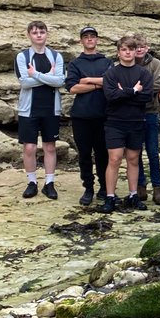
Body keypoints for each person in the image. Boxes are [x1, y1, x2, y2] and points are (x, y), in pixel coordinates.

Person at [101, 34, 154, 213]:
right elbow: (110, 97)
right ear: (118, 53)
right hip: (114, 122)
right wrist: (133, 92)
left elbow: (146, 97)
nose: (128, 52)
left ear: (134, 52)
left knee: (133, 159)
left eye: (130, 49)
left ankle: (133, 195)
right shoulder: (111, 73)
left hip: (136, 121)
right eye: (124, 49)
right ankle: (110, 197)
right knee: (114, 159)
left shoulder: (144, 73)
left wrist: (124, 94)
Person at [15, 20, 66, 200]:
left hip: (51, 108)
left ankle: (49, 183)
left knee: (49, 146)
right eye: (35, 32)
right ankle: (32, 182)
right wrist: (49, 77)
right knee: (29, 147)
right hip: (29, 109)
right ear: (29, 35)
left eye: (42, 32)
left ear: (46, 34)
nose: (38, 35)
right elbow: (24, 83)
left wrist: (35, 74)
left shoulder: (55, 56)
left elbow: (60, 81)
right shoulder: (22, 56)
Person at [64, 25, 111, 207]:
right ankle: (88, 187)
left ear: (97, 39)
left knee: (102, 154)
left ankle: (103, 187)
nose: (90, 39)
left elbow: (111, 82)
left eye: (92, 36)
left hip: (103, 115)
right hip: (81, 116)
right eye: (86, 37)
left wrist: (87, 80)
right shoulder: (76, 63)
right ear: (81, 40)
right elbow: (73, 88)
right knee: (84, 154)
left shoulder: (106, 62)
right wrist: (97, 84)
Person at [133, 35, 160, 204]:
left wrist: (135, 91)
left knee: (153, 152)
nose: (139, 49)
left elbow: (159, 84)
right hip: (132, 113)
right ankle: (141, 185)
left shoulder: (155, 64)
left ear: (147, 48)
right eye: (136, 46)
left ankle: (157, 187)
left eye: (142, 46)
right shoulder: (127, 64)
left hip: (151, 112)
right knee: (135, 151)